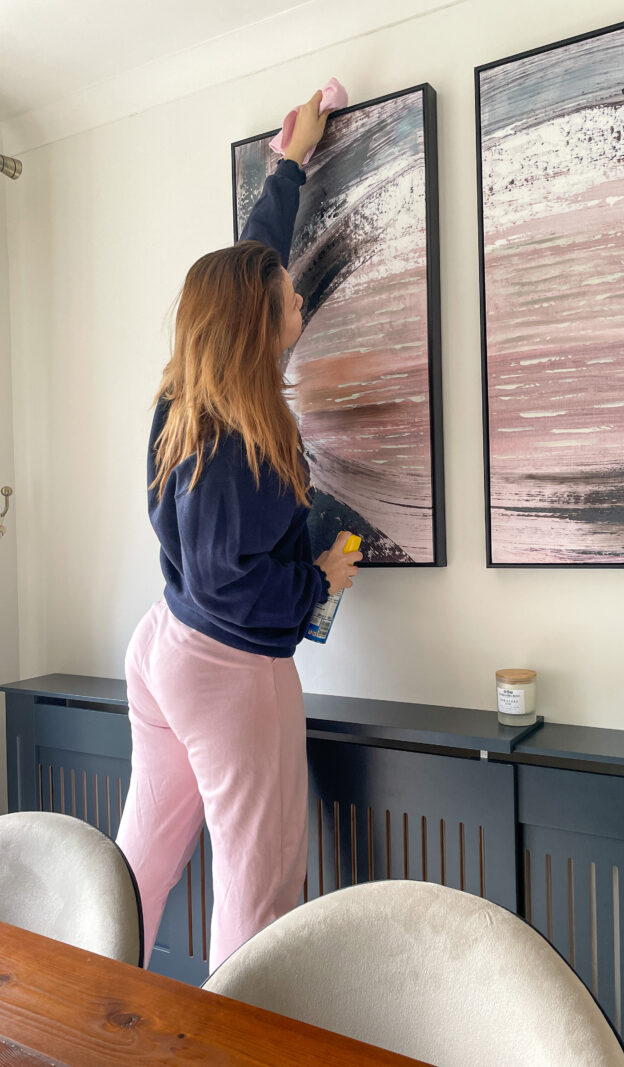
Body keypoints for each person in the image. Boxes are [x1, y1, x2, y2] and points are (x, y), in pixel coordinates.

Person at [116, 91, 362, 974]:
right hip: (225, 671)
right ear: (259, 327)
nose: (298, 300)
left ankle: (83, 1020)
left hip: (166, 647)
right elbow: (235, 582)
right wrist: (321, 581)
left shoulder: (188, 398)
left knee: (138, 864)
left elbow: (252, 256)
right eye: (289, 301)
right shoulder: (243, 437)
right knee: (257, 895)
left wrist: (289, 167)